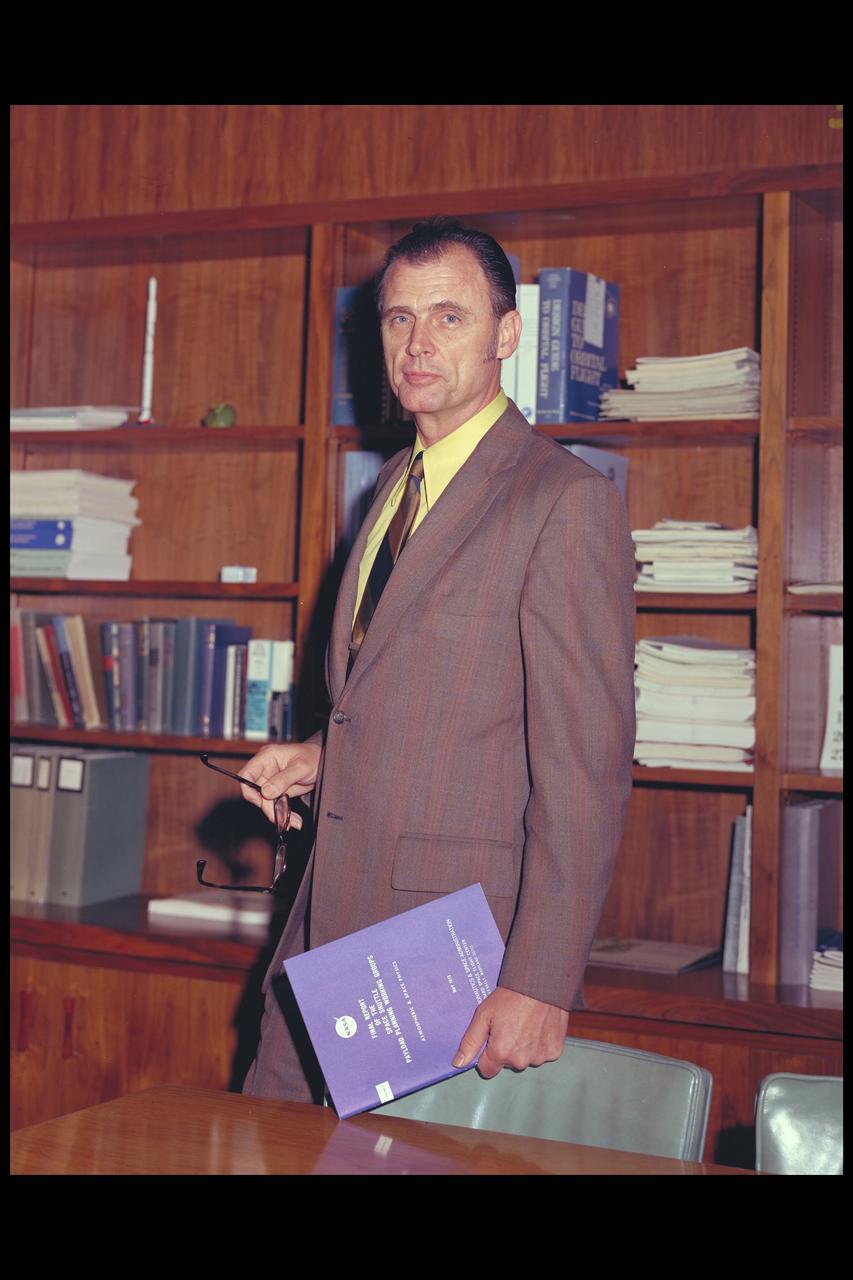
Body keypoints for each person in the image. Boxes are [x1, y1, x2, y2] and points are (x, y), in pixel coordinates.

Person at [240, 216, 636, 1103]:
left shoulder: (562, 502)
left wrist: (536, 979)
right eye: (396, 319)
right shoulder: (388, 486)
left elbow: (586, 769)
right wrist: (321, 755)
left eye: (448, 317)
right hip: (322, 937)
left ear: (505, 334)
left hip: (449, 960)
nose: (417, 344)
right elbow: (416, 697)